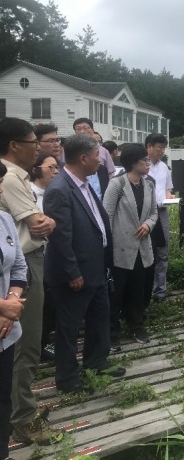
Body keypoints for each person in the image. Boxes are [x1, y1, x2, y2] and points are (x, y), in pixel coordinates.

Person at [43, 134, 125, 395]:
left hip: (96, 268)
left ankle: (97, 362)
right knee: (68, 327)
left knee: (99, 318)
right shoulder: (59, 189)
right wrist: (72, 272)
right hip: (75, 273)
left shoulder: (83, 184)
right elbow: (60, 237)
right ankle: (67, 378)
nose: (100, 162)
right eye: (96, 157)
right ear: (82, 158)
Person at [0, 117, 57, 445]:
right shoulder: (9, 177)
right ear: (14, 146)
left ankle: (16, 409)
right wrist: (46, 221)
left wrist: (46, 222)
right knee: (26, 344)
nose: (39, 147)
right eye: (33, 141)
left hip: (20, 266)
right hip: (20, 267)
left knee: (22, 343)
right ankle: (22, 417)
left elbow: (43, 223)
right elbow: (37, 223)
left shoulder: (16, 176)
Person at [103, 144, 157, 345]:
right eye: (145, 160)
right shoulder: (117, 184)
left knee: (138, 289)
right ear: (134, 163)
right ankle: (111, 332)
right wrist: (106, 246)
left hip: (142, 246)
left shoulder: (148, 184)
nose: (148, 164)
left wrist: (148, 225)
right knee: (117, 291)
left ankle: (136, 325)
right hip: (120, 246)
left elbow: (153, 213)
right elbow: (106, 215)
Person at [0, 160, 28, 460]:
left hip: (5, 329)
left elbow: (19, 265)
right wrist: (4, 306)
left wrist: (11, 302)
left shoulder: (5, 220)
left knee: (2, 398)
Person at [29, 152, 60, 363]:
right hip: (35, 255)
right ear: (36, 169)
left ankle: (46, 340)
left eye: (57, 167)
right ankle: (36, 346)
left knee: (50, 302)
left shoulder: (57, 192)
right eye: (51, 167)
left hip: (54, 256)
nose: (56, 171)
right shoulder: (30, 194)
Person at [145, 133, 175, 303]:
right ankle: (145, 290)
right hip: (144, 213)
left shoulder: (164, 167)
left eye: (164, 148)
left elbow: (167, 190)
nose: (162, 151)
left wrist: (170, 196)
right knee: (146, 251)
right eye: (159, 147)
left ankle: (160, 291)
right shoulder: (140, 165)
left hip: (161, 212)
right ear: (149, 146)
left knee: (162, 252)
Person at [72, 118, 115, 199]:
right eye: (78, 129)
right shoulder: (70, 151)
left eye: (85, 128)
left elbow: (110, 174)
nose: (82, 131)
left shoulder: (103, 151)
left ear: (92, 130)